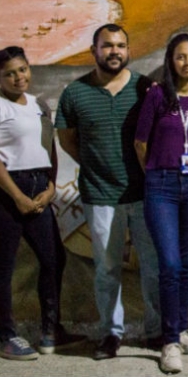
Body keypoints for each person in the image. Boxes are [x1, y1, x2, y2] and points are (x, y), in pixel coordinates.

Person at [55, 24, 159, 359]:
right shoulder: (75, 93)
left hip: (144, 194)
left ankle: (156, 331)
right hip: (99, 196)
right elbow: (67, 139)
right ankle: (110, 334)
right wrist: (95, 165)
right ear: (93, 50)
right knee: (107, 268)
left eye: (120, 45)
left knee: (152, 265)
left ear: (128, 50)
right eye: (107, 45)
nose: (114, 51)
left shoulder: (145, 88)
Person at [134, 33, 188, 373]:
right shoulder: (156, 97)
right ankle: (168, 342)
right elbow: (140, 143)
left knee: (186, 264)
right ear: (171, 61)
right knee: (168, 265)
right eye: (180, 57)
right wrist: (156, 174)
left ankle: (182, 330)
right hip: (161, 185)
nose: (187, 63)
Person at [0, 46, 83, 361]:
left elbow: (49, 147)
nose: (18, 77)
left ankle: (51, 330)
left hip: (39, 186)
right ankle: (6, 336)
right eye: (9, 73)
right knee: (4, 268)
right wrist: (17, 197)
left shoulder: (39, 105)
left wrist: (50, 187)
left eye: (22, 69)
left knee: (53, 260)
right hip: (8, 191)